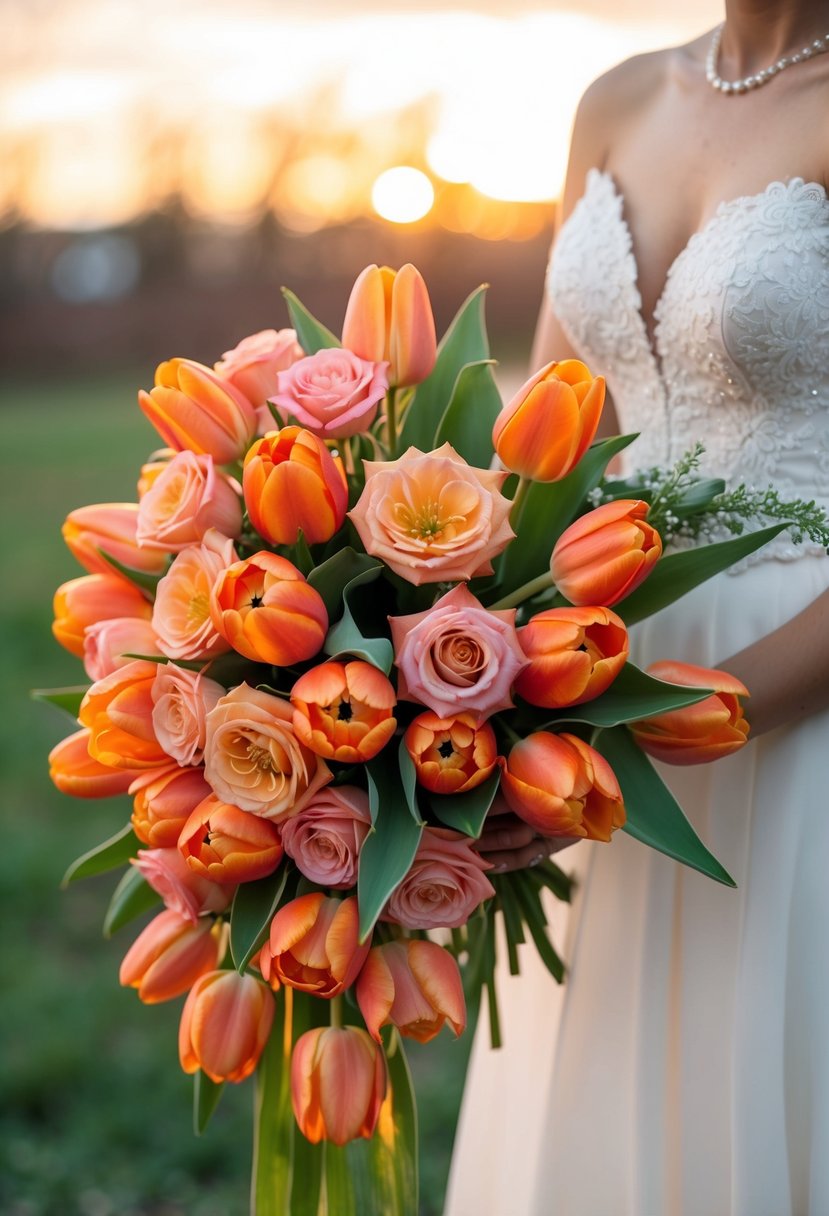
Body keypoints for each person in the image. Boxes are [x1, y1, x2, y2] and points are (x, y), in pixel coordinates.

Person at [445, 4, 829, 1214]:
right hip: (595, 671)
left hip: (794, 714)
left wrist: (634, 745)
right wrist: (455, 657)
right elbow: (555, 434)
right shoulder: (613, 100)